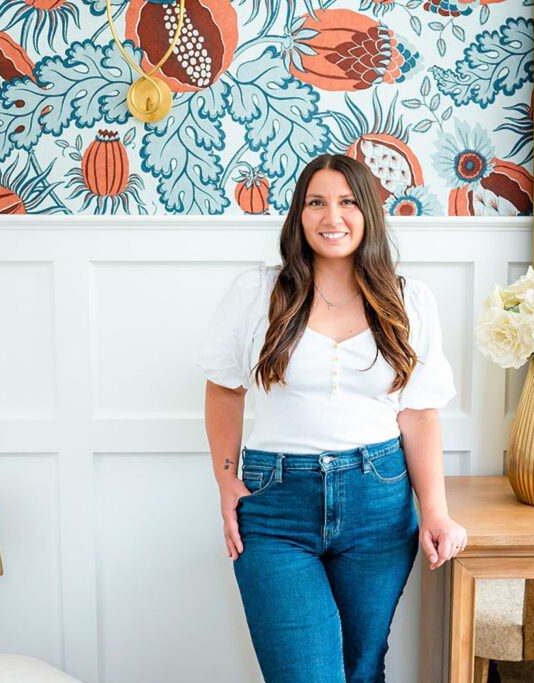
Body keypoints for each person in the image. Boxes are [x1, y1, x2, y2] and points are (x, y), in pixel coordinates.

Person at [198, 154, 467, 682]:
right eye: (316, 203)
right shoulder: (258, 292)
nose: (332, 217)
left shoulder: (409, 300)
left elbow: (419, 413)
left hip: (378, 502)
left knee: (362, 668)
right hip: (275, 506)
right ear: (298, 215)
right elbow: (224, 388)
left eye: (347, 202)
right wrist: (225, 479)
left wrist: (435, 511)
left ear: (368, 213)